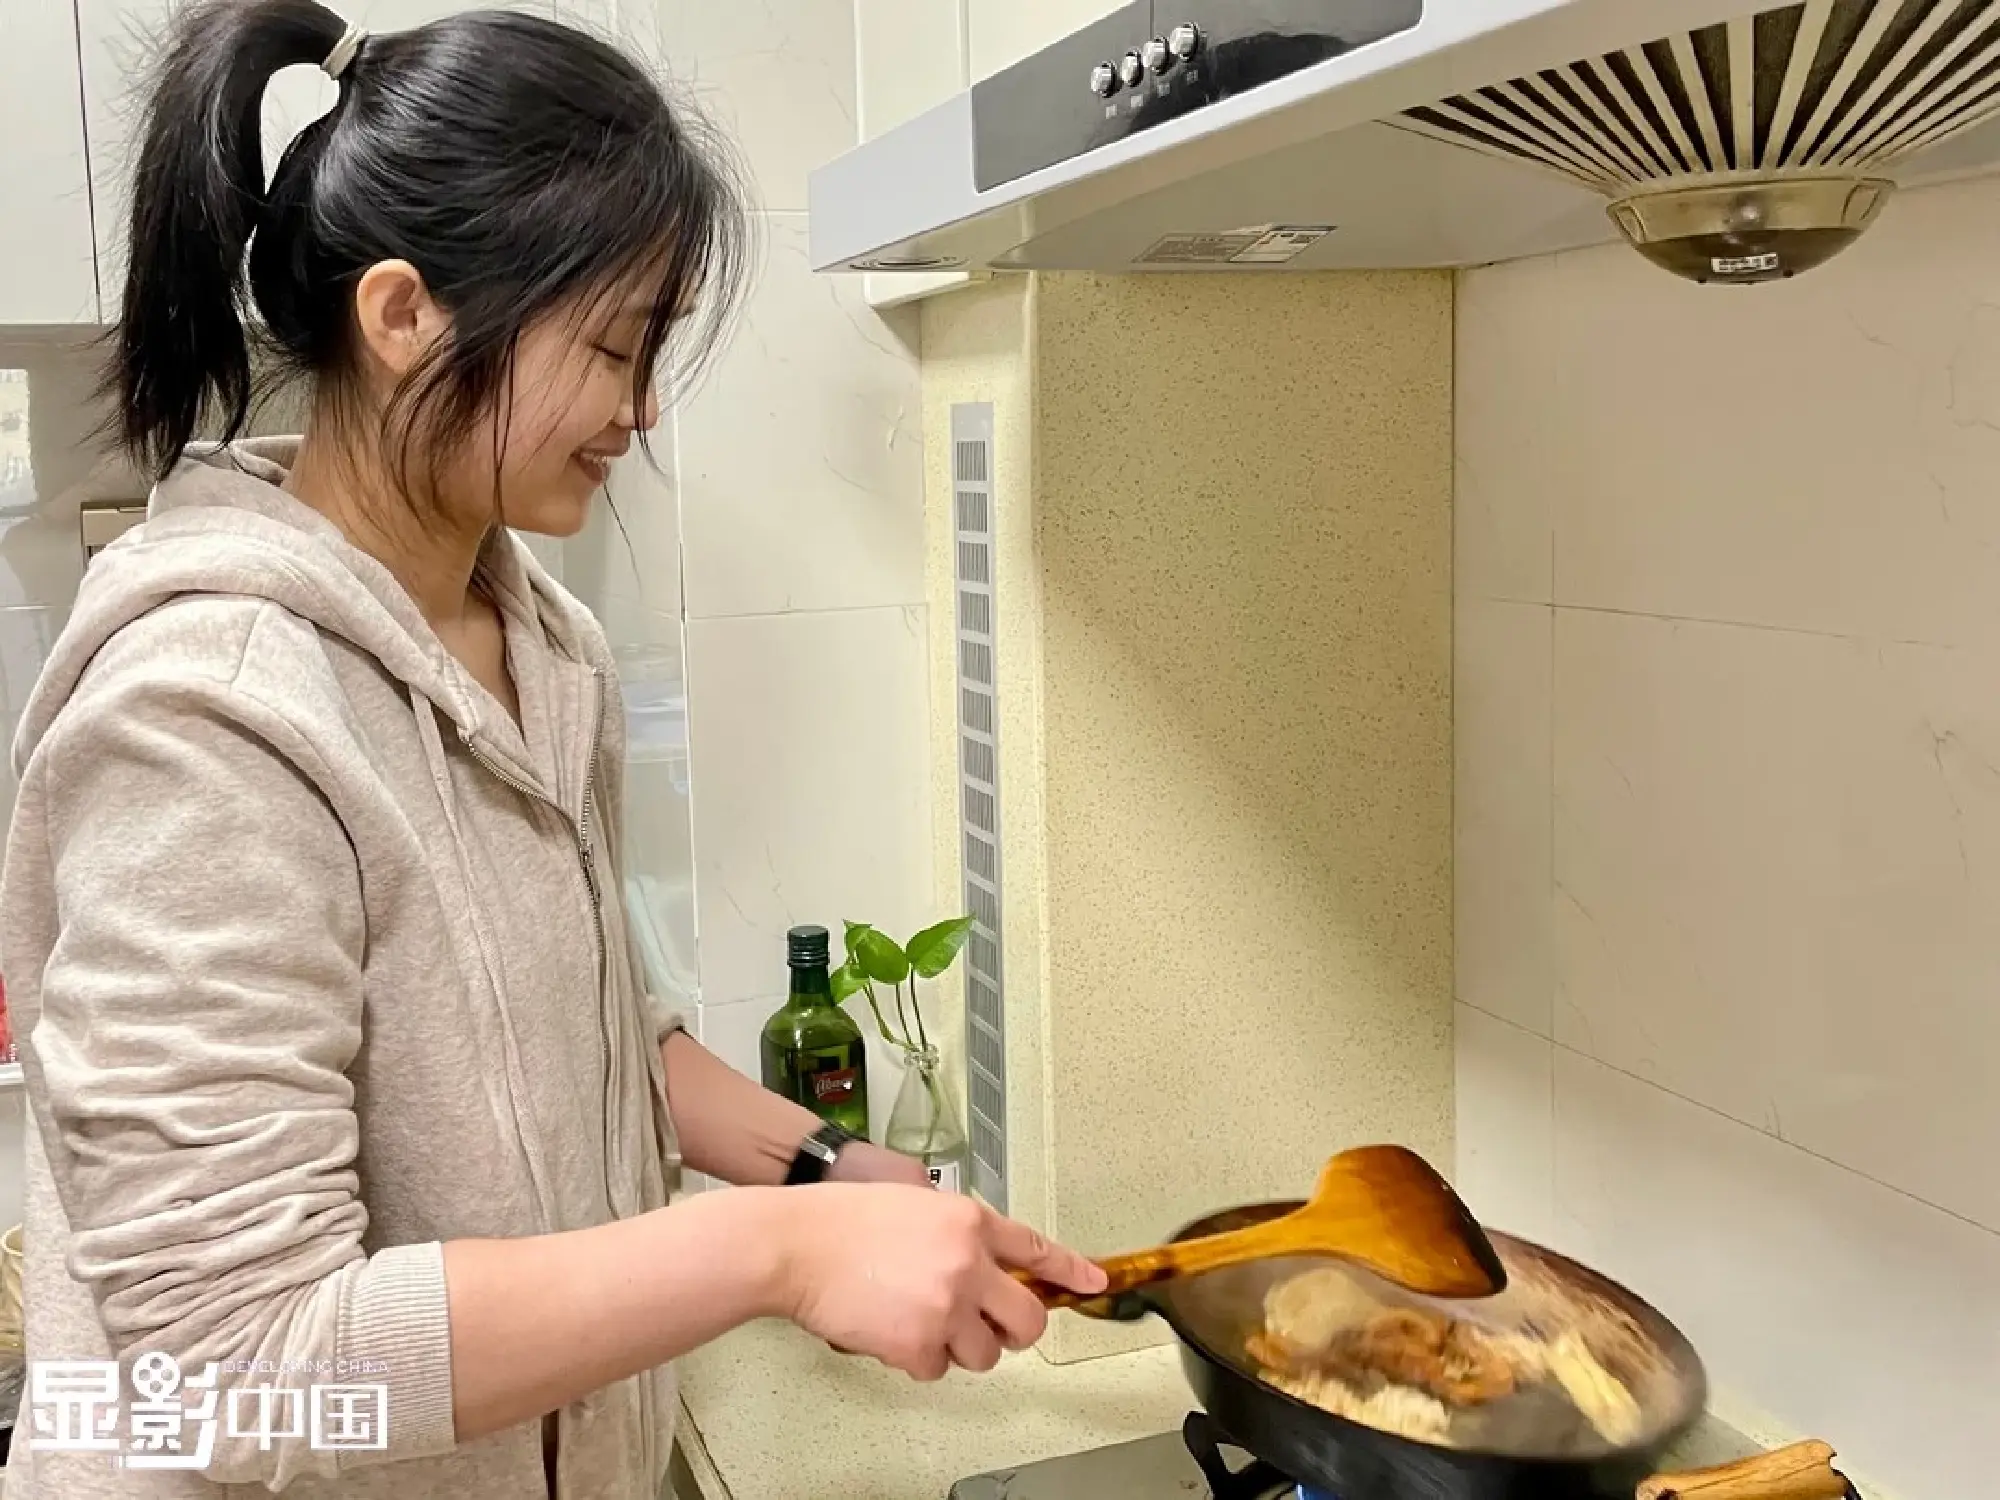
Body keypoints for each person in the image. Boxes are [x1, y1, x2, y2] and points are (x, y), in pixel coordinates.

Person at [0, 2, 1105, 1495]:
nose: (641, 414)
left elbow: (583, 1029)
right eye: (613, 348)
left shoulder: (542, 648)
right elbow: (229, 1370)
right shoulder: (211, 714)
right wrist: (775, 1253)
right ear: (404, 319)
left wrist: (822, 1170)